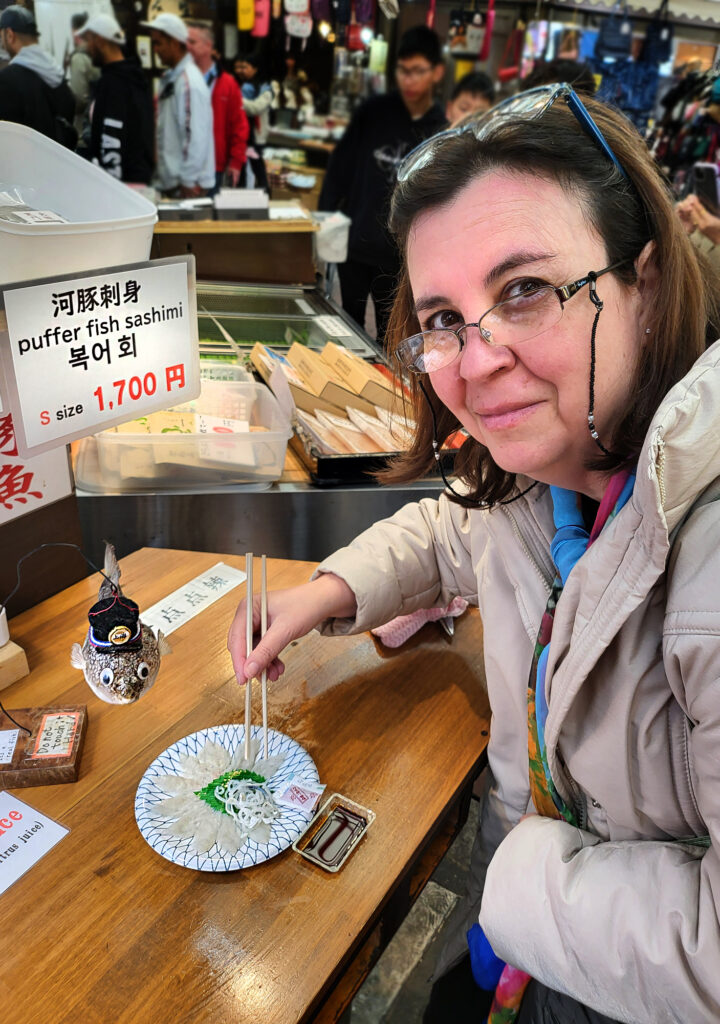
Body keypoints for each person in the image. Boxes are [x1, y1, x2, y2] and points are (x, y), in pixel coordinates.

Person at [228, 85, 720, 1023]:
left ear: (646, 284)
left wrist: (520, 876)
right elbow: (457, 528)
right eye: (443, 318)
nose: (472, 357)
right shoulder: (548, 464)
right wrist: (332, 591)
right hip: (523, 954)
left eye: (524, 291)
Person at [318, 25, 446, 343]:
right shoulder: (373, 113)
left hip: (399, 257)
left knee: (391, 334)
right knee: (348, 325)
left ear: (437, 72)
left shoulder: (441, 130)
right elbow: (339, 168)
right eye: (403, 71)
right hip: (355, 245)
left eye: (418, 71)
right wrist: (323, 217)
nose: (409, 80)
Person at [139, 12, 214, 197]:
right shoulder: (172, 78)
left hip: (186, 186)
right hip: (172, 182)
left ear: (173, 42)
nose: (154, 49)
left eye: (158, 43)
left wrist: (187, 182)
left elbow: (195, 135)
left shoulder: (189, 82)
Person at [80, 13, 153, 184]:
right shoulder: (135, 77)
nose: (88, 48)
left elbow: (112, 134)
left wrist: (111, 185)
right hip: (136, 180)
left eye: (89, 40)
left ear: (99, 40)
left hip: (122, 185)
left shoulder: (114, 83)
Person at [0, 5, 76, 146]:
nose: (3, 45)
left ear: (10, 35)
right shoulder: (55, 72)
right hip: (57, 160)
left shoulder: (7, 80)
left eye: (1, 37)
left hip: (25, 163)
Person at [186, 21, 248, 192]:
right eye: (185, 42)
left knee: (210, 214)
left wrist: (236, 161)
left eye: (192, 42)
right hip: (184, 163)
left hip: (215, 164)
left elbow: (239, 125)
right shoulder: (181, 79)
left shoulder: (228, 83)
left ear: (208, 46)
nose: (187, 47)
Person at [234, 51, 273, 190]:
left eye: (245, 67)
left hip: (255, 137)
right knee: (241, 170)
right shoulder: (241, 85)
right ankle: (241, 199)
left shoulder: (265, 88)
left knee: (258, 170)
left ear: (255, 68)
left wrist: (236, 99)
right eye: (239, 67)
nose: (241, 71)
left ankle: (265, 199)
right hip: (241, 135)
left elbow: (256, 108)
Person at [66, 11, 99, 142]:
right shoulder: (97, 55)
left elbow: (78, 99)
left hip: (83, 131)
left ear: (75, 31)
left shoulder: (79, 58)